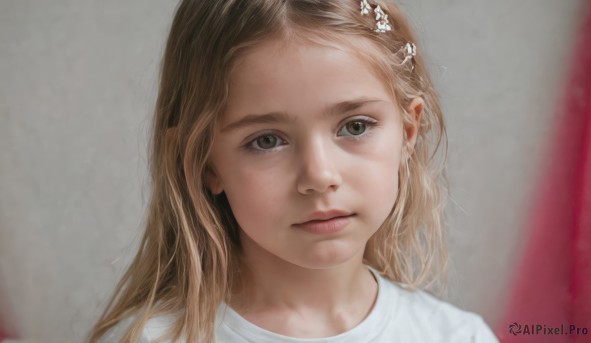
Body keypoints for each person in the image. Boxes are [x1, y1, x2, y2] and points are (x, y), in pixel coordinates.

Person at [88, 0, 499, 342]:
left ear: (408, 133)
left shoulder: (459, 337)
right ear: (202, 162)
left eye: (355, 127)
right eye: (267, 140)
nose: (320, 176)